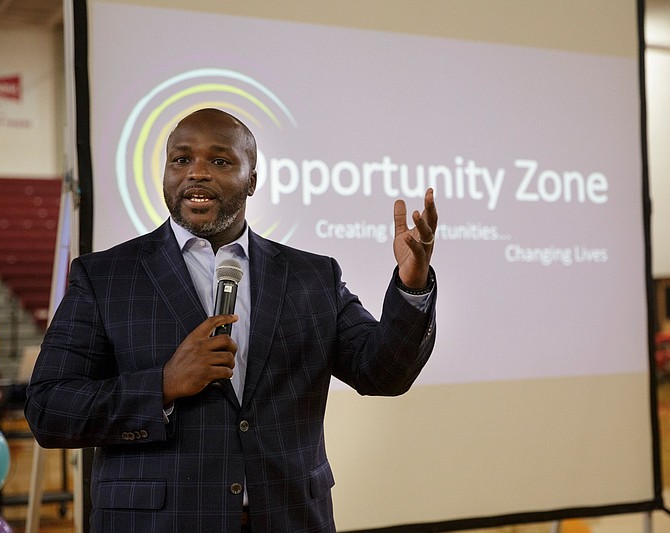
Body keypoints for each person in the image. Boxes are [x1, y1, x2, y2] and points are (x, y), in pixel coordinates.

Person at [24, 108, 438, 532]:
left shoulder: (313, 276)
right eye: (181, 160)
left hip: (289, 518)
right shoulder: (106, 276)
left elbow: (383, 374)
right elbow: (49, 408)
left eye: (220, 161)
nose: (196, 173)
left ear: (252, 180)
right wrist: (162, 384)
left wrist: (412, 285)